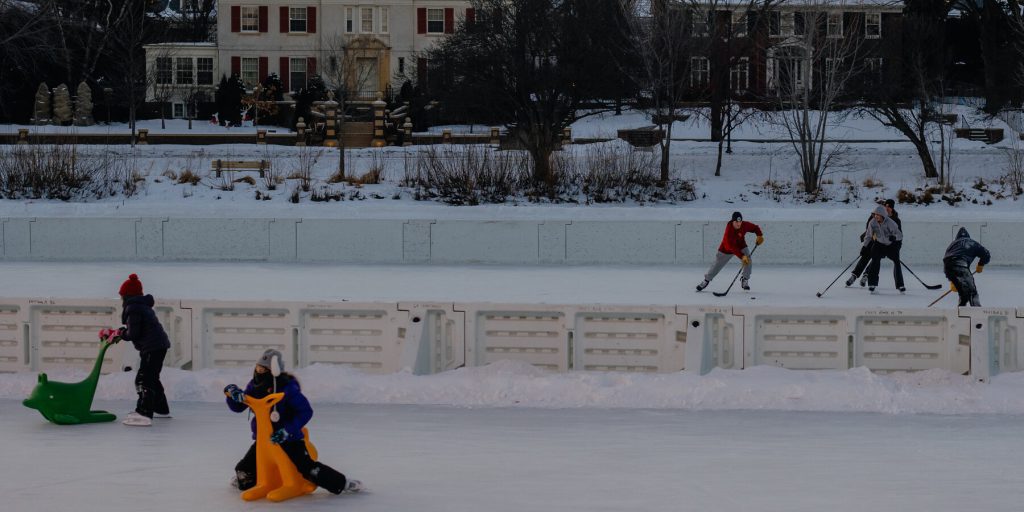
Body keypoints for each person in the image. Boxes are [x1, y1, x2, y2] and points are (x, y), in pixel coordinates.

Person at [224, 349, 362, 495]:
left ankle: (342, 483)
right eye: (258, 368)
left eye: (263, 369)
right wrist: (232, 393)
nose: (259, 372)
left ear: (273, 371)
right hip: (264, 440)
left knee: (306, 467)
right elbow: (238, 407)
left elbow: (306, 412)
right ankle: (257, 481)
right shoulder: (254, 387)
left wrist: (286, 431)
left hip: (288, 439)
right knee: (243, 469)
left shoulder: (288, 388)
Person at [118, 273, 171, 427]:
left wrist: (122, 334)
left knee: (143, 379)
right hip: (159, 345)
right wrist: (122, 332)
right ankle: (161, 408)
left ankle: (144, 412)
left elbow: (133, 333)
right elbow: (136, 329)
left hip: (152, 347)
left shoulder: (133, 308)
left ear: (126, 296)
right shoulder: (142, 306)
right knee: (152, 378)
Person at [697, 211, 764, 292]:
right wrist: (742, 256)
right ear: (732, 221)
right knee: (716, 265)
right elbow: (732, 248)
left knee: (748, 260)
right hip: (727, 249)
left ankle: (745, 279)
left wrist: (759, 235)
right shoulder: (729, 231)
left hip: (741, 245)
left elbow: (755, 228)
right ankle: (706, 280)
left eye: (740, 221)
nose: (738, 224)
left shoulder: (744, 225)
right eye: (736, 222)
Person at [846, 199, 902, 287]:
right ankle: (854, 275)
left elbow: (898, 235)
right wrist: (867, 242)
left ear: (892, 209)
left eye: (889, 207)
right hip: (874, 240)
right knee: (865, 256)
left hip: (886, 245)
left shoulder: (895, 220)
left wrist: (895, 247)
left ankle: (866, 275)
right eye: (885, 206)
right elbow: (869, 227)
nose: (887, 208)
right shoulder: (877, 214)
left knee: (876, 258)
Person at [942, 227, 990, 307]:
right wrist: (980, 265)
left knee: (963, 293)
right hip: (961, 265)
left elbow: (946, 260)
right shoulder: (972, 243)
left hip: (949, 266)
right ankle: (977, 311)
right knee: (972, 292)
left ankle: (961, 310)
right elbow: (986, 255)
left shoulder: (952, 244)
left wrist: (952, 280)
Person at [863, 206, 904, 294]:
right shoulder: (872, 222)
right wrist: (864, 247)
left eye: (878, 215)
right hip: (879, 245)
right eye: (875, 215)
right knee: (875, 261)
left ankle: (900, 285)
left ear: (883, 215)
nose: (876, 216)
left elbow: (900, 235)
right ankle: (872, 284)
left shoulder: (890, 223)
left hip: (890, 246)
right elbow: (868, 236)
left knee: (897, 262)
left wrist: (894, 237)